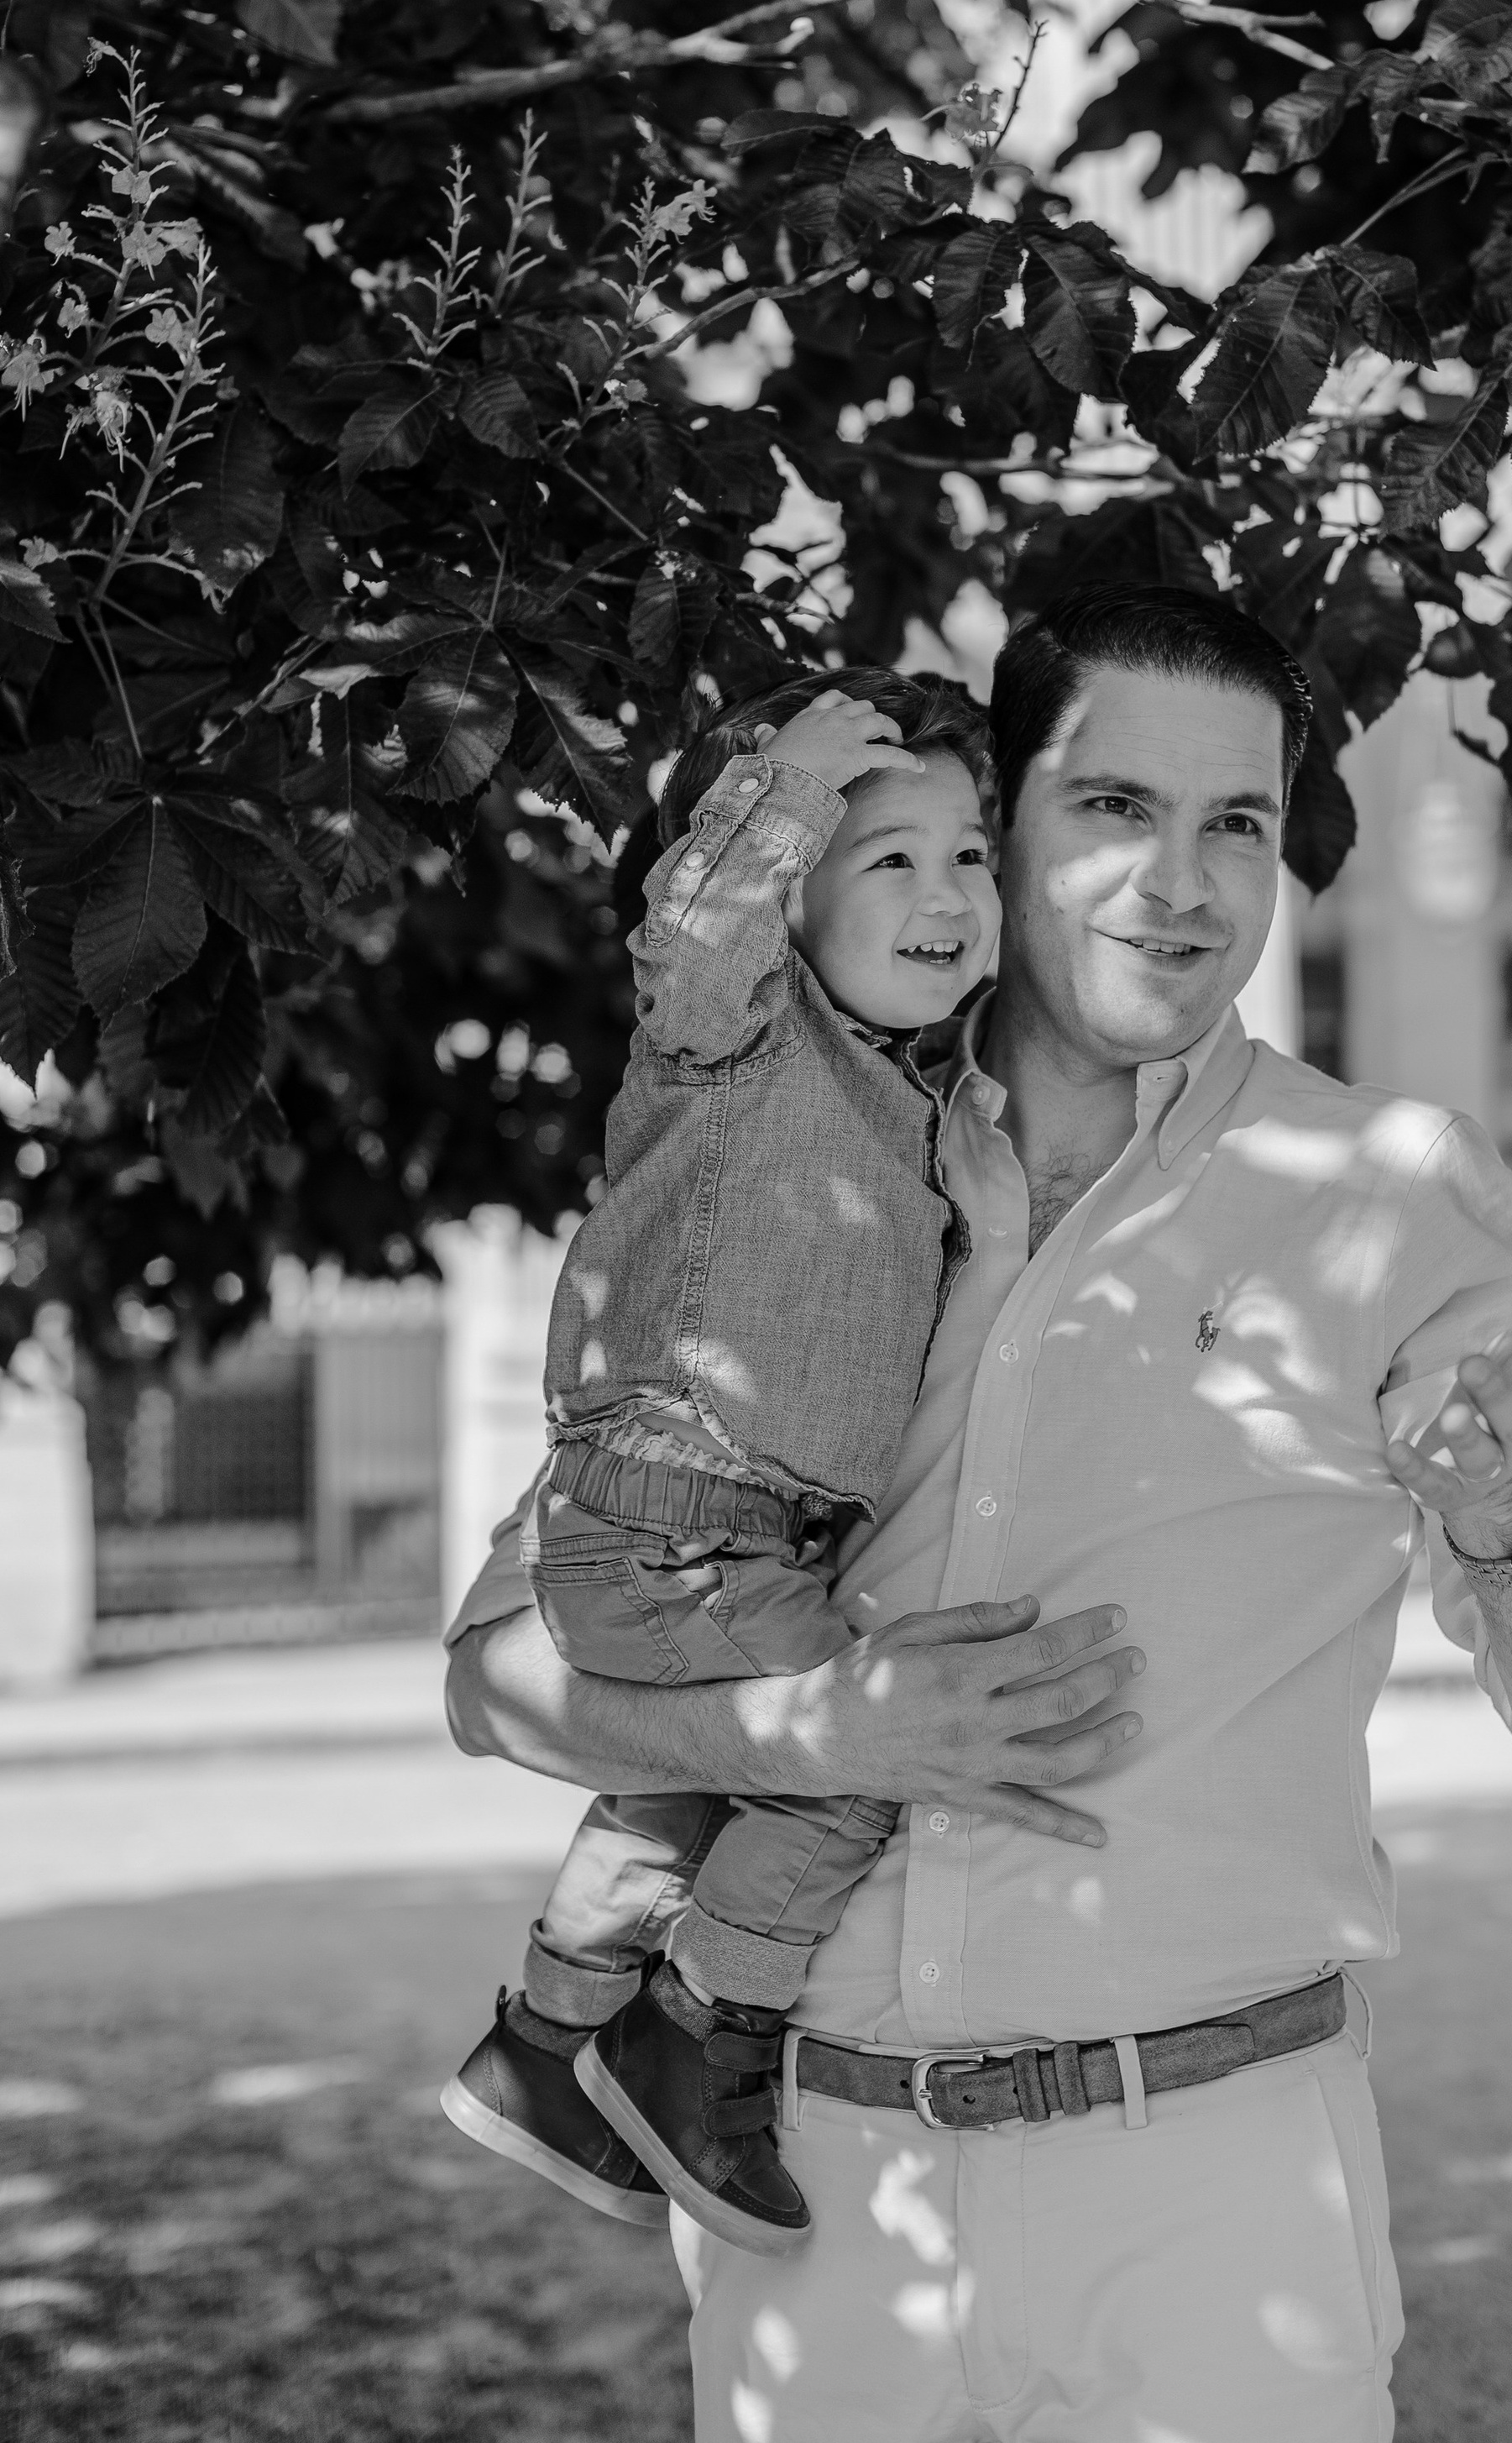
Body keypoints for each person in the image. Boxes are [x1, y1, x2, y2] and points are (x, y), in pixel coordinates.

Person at [446, 583, 1512, 2443]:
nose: (1178, 886)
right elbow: (493, 1680)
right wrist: (811, 1729)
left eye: (1238, 824)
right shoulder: (775, 1153)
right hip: (814, 2196)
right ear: (991, 820)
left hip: (1213, 2192)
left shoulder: (1385, 1189)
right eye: (1113, 808)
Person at [442, 666, 1002, 2255]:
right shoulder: (733, 1034)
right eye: (889, 856)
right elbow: (695, 929)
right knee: (855, 1762)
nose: (949, 893)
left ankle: (541, 2049)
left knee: (680, 1797)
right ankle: (695, 2036)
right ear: (795, 890)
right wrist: (780, 784)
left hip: (736, 1541)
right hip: (673, 1524)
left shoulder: (918, 1096)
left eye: (973, 857)